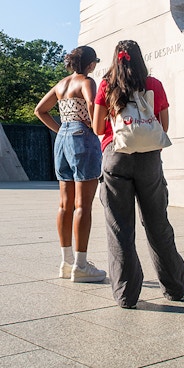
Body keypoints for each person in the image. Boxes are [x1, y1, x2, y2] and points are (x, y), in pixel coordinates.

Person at [93, 40, 184, 309]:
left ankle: (126, 295)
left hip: (116, 158)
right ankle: (175, 288)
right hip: (149, 161)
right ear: (139, 58)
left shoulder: (107, 85)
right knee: (158, 225)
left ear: (116, 59)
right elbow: (164, 125)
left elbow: (98, 128)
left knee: (120, 229)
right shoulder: (154, 85)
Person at [35, 45, 106, 283]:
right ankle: (81, 265)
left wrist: (61, 130)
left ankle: (66, 262)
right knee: (83, 205)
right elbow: (93, 106)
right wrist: (97, 123)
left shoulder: (61, 84)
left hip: (63, 139)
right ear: (90, 63)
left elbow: (40, 110)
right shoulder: (87, 81)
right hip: (82, 138)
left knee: (65, 204)